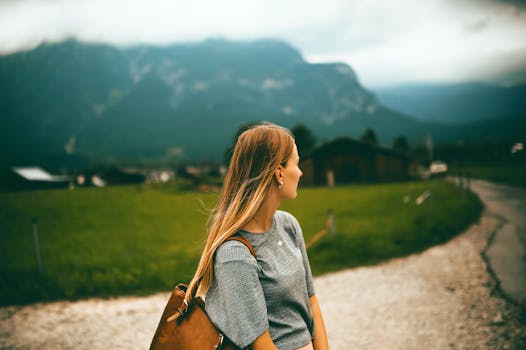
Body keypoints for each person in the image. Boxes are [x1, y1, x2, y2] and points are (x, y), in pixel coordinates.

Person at [185, 122, 329, 350]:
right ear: (279, 172)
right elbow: (260, 345)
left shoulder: (288, 225)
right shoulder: (234, 254)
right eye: (297, 163)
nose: (300, 172)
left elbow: (311, 300)